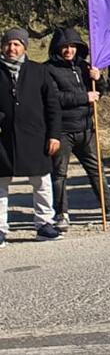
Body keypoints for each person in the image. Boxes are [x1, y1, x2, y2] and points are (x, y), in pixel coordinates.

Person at [45, 27, 110, 229]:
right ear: (57, 48)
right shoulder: (47, 69)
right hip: (62, 130)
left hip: (87, 129)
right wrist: (84, 97)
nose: (68, 50)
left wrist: (98, 78)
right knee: (60, 173)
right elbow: (53, 98)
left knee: (97, 170)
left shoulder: (84, 66)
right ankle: (61, 214)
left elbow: (100, 92)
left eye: (72, 46)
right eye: (64, 47)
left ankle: (109, 209)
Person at [0, 28, 63, 244]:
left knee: (42, 181)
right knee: (0, 184)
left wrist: (54, 135)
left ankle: (44, 224)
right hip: (3, 138)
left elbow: (53, 106)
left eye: (17, 44)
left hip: (36, 135)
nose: (12, 48)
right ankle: (0, 230)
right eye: (8, 44)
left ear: (25, 47)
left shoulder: (39, 71)